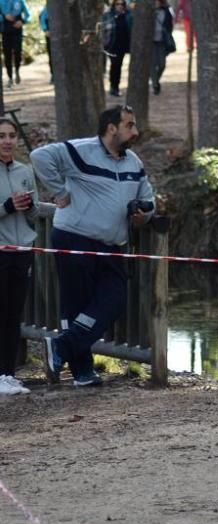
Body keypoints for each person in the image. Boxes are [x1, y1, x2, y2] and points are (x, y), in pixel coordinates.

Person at [30, 105, 155, 387]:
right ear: (112, 128)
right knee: (76, 305)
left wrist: (143, 213)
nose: (135, 131)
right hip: (74, 238)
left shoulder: (133, 162)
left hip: (112, 246)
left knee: (114, 300)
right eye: (129, 125)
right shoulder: (81, 150)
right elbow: (40, 157)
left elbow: (149, 199)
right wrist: (60, 192)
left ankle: (59, 348)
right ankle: (82, 372)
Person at [0, 118, 38, 396]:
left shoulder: (25, 171)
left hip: (22, 251)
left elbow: (35, 216)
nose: (7, 141)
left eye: (12, 135)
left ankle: (8, 375)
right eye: (1, 136)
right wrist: (7, 206)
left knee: (14, 315)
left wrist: (31, 206)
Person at [102, 0, 132, 97]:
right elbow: (103, 29)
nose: (120, 6)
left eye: (122, 4)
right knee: (114, 65)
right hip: (112, 45)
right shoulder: (108, 15)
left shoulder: (128, 15)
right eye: (117, 4)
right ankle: (113, 86)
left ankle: (116, 86)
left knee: (118, 66)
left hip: (123, 45)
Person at [0, 0, 30, 88]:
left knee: (17, 51)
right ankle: (10, 77)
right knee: (7, 54)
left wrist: (23, 21)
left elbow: (28, 15)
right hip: (5, 29)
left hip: (17, 29)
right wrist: (4, 16)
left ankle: (17, 70)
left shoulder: (20, 1)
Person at [151, 0, 175, 95]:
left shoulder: (166, 12)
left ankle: (155, 79)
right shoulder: (149, 12)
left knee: (162, 64)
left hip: (162, 42)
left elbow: (169, 26)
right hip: (151, 43)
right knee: (152, 65)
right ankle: (155, 85)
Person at [39, 6, 51, 85]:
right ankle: (53, 74)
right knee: (51, 55)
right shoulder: (46, 9)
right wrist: (45, 30)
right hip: (50, 34)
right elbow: (42, 19)